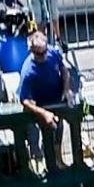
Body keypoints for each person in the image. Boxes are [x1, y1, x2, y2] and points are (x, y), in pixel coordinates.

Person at [18, 30, 74, 168]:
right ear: (32, 51)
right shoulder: (28, 71)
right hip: (38, 106)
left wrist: (67, 89)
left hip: (56, 101)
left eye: (44, 52)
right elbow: (24, 99)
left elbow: (64, 69)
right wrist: (43, 113)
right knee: (34, 138)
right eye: (39, 54)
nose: (43, 56)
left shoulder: (52, 53)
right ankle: (38, 161)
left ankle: (58, 159)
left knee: (58, 131)